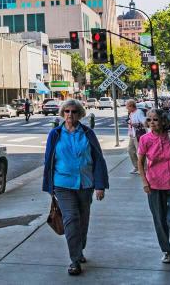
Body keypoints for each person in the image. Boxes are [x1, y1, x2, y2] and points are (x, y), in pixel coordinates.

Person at [42, 99, 109, 276]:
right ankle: (74, 260)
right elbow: (48, 160)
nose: (70, 115)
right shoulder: (55, 134)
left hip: (85, 184)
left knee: (83, 220)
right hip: (62, 184)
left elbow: (98, 159)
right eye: (66, 111)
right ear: (62, 114)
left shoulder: (88, 133)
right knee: (71, 219)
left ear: (80, 114)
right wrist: (49, 184)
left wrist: (100, 185)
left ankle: (79, 249)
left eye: (73, 112)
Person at [138, 108, 170, 268]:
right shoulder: (145, 139)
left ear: (162, 121)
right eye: (149, 120)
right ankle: (166, 251)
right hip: (154, 184)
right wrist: (144, 181)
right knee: (159, 220)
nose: (151, 123)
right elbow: (140, 162)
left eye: (155, 119)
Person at [126, 100, 147, 174]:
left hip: (138, 135)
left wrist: (137, 124)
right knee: (130, 150)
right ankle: (137, 167)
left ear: (131, 106)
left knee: (140, 152)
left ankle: (144, 168)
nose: (127, 108)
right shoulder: (131, 113)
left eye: (127, 107)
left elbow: (145, 123)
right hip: (132, 135)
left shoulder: (139, 112)